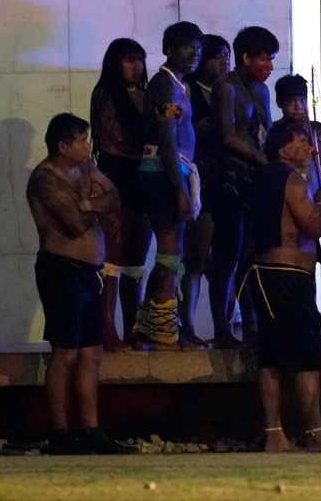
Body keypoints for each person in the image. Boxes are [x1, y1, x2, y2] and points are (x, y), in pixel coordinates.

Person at [27, 113, 129, 454]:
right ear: (63, 146)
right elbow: (74, 224)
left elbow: (115, 196)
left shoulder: (85, 167)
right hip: (61, 271)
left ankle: (90, 429)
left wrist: (88, 203)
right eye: (82, 141)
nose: (88, 146)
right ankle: (59, 433)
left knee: (91, 353)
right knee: (65, 353)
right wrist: (94, 203)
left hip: (88, 274)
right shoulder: (45, 179)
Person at [245, 122, 321, 452]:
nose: (312, 149)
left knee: (271, 356)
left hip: (266, 274)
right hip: (287, 276)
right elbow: (312, 226)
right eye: (303, 141)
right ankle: (315, 433)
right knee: (306, 355)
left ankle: (275, 434)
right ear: (284, 147)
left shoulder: (261, 177)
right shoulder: (292, 179)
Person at [132, 22, 204, 350]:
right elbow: (166, 136)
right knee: (169, 254)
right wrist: (179, 189)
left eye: (198, 48)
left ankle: (150, 324)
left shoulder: (177, 85)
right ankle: (162, 331)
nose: (195, 54)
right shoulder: (166, 86)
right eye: (187, 48)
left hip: (170, 172)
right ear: (168, 50)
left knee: (171, 254)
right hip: (163, 174)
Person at [209, 25, 279, 347]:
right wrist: (261, 159)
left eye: (272, 59)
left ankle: (250, 323)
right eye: (264, 59)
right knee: (228, 255)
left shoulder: (261, 90)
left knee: (252, 254)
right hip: (230, 180)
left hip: (255, 181)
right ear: (246, 57)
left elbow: (266, 131)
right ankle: (221, 328)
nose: (270, 66)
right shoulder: (226, 86)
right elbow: (227, 136)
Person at [90, 38, 154, 351]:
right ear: (116, 63)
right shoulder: (106, 93)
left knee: (135, 261)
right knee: (112, 261)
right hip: (115, 176)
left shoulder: (146, 94)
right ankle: (107, 329)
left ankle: (133, 327)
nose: (136, 67)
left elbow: (168, 117)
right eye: (129, 60)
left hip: (142, 178)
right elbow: (118, 138)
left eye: (139, 60)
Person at [180, 34, 231, 346]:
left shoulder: (233, 89)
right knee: (197, 257)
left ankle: (226, 325)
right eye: (217, 57)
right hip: (201, 177)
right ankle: (187, 325)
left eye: (227, 56)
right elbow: (179, 131)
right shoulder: (189, 90)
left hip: (229, 179)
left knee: (227, 259)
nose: (224, 62)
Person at [275, 73, 321, 190]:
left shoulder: (315, 128)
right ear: (279, 102)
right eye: (291, 101)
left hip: (315, 189)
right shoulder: (276, 129)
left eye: (302, 100)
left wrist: (309, 132)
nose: (298, 106)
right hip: (288, 188)